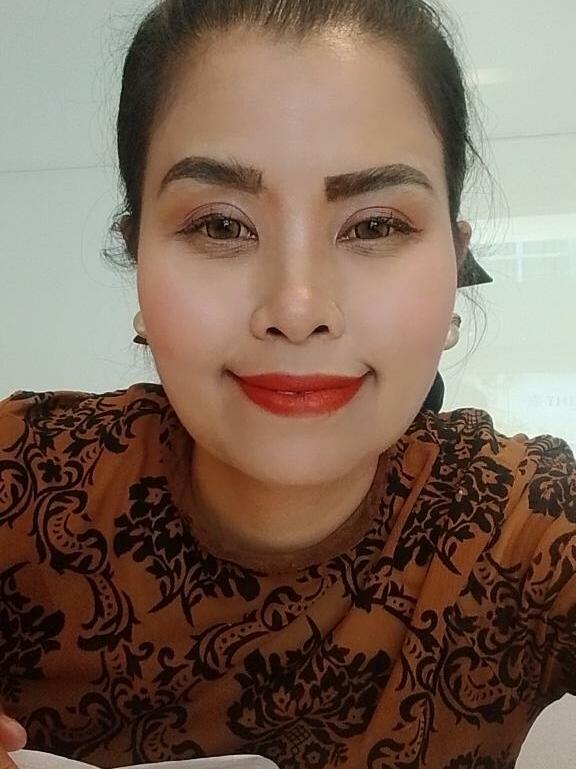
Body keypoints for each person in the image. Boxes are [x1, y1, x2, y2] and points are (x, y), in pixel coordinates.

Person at [0, 0, 574, 768]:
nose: (297, 311)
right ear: (137, 257)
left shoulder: (522, 524)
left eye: (375, 225)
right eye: (220, 225)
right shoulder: (26, 480)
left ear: (453, 264)